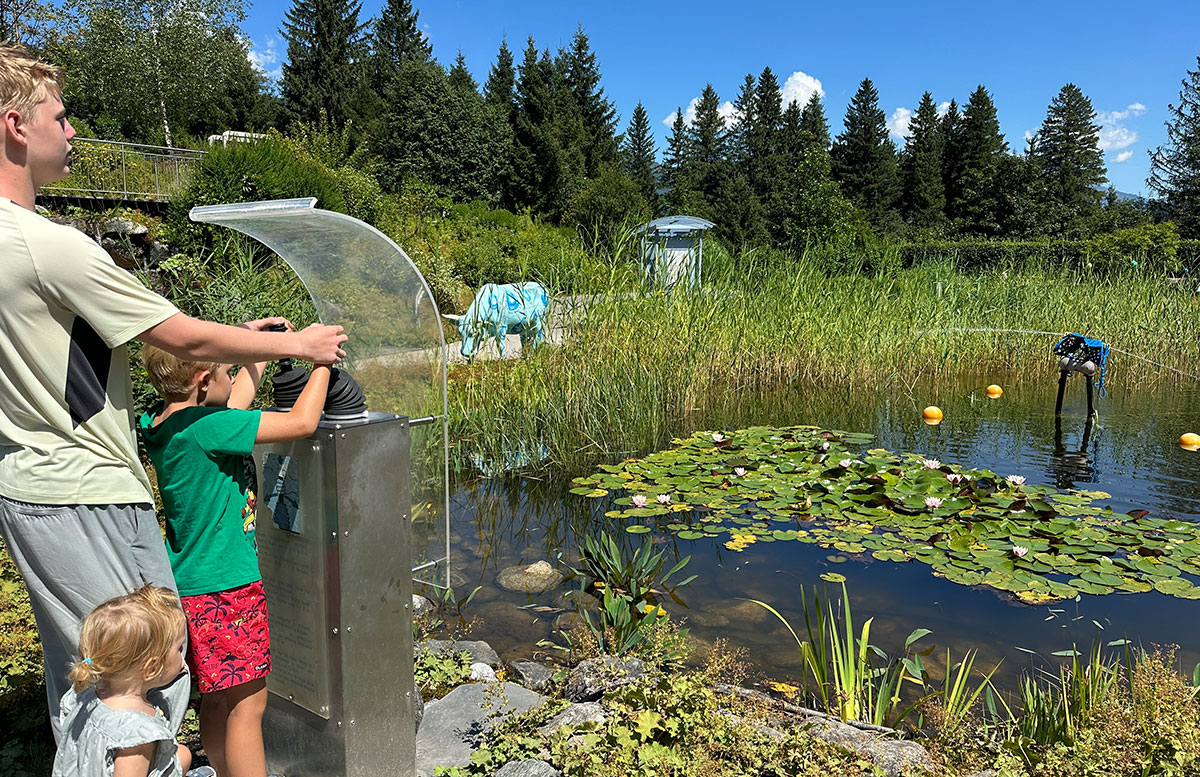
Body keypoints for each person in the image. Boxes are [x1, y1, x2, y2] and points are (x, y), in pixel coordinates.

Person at [0, 42, 348, 741]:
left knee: (88, 671)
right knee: (142, 677)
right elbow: (183, 338)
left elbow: (168, 350)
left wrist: (241, 357)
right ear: (16, 125)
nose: (71, 133)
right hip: (85, 489)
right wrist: (301, 348)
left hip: (28, 486)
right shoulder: (47, 244)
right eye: (61, 118)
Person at [139, 345, 331, 777]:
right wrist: (322, 363)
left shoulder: (165, 423)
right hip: (229, 587)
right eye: (228, 370)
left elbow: (234, 397)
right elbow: (302, 422)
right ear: (202, 381)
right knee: (248, 704)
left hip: (189, 582)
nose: (234, 378)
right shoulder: (211, 428)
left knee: (216, 696)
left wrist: (254, 347)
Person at [52, 585, 192, 777]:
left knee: (182, 754)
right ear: (152, 667)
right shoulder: (137, 734)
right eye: (179, 648)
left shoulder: (86, 698)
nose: (182, 657)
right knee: (184, 755)